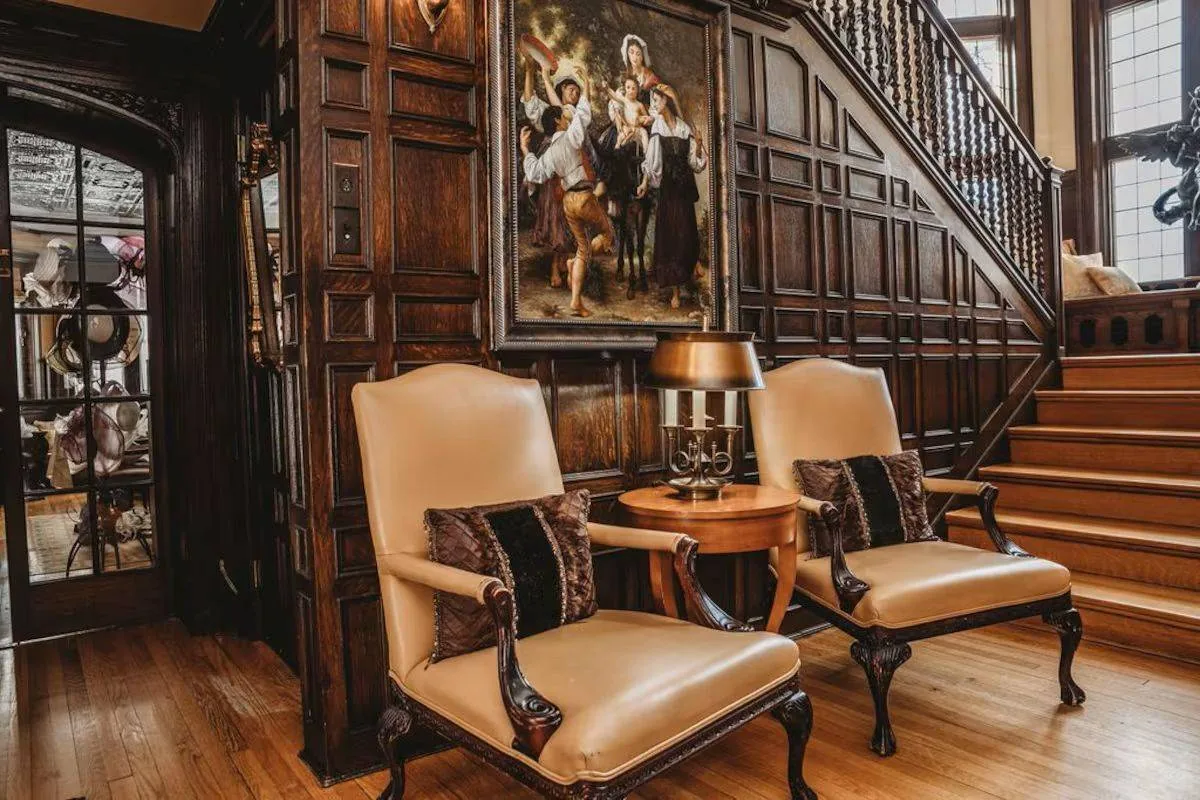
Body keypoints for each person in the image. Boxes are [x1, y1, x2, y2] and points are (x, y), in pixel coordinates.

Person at [521, 67, 614, 318]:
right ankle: (577, 260)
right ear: (560, 121)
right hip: (583, 197)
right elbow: (583, 115)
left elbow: (535, 172)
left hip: (568, 202)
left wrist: (524, 149)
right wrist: (586, 83)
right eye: (563, 116)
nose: (567, 117)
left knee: (581, 247)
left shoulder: (551, 151)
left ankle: (575, 297)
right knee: (608, 236)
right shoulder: (572, 137)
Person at [637, 83, 707, 310]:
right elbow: (652, 161)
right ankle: (675, 292)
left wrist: (698, 147)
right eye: (652, 101)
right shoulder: (657, 126)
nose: (653, 105)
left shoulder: (684, 128)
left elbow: (696, 165)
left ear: (666, 101)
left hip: (685, 189)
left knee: (687, 233)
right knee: (671, 237)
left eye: (656, 101)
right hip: (669, 190)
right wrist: (645, 183)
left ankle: (692, 268)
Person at [621, 34, 660, 106]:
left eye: (638, 54)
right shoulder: (628, 71)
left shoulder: (648, 74)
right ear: (627, 53)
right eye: (631, 52)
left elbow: (658, 93)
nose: (634, 58)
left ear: (642, 57)